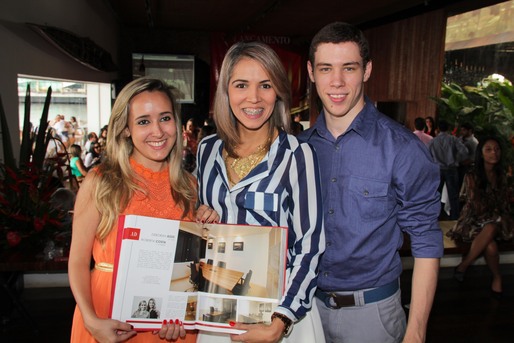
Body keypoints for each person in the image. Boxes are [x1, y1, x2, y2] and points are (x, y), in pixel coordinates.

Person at [299, 22, 443, 343]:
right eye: (326, 68)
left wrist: (416, 332)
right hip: (305, 312)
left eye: (349, 68)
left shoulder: (402, 148)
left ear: (366, 71)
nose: (337, 81)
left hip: (372, 316)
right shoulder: (299, 149)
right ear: (311, 72)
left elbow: (426, 240)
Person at [196, 41, 326, 343]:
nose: (253, 98)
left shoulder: (297, 155)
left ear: (278, 91)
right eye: (241, 85)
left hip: (277, 314)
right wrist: (200, 215)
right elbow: (200, 220)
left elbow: (311, 246)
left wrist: (280, 321)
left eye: (265, 85)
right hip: (216, 306)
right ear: (226, 90)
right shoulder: (207, 150)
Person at [68, 77, 201, 343]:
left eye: (165, 118)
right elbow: (78, 261)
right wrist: (91, 320)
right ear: (126, 129)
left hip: (170, 327)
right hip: (105, 319)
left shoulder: (189, 186)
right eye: (143, 121)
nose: (158, 131)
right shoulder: (101, 181)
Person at [447, 136, 513, 297]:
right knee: (490, 243)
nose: (494, 153)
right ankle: (496, 277)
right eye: (488, 149)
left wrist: (499, 216)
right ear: (481, 153)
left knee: (491, 229)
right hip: (473, 220)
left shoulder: (502, 175)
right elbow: (475, 206)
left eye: (497, 149)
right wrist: (494, 216)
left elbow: (505, 203)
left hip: (497, 221)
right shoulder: (472, 175)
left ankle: (463, 266)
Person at [428, 120, 468, 220]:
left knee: (436, 194)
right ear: (449, 129)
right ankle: (455, 217)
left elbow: (426, 154)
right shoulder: (453, 139)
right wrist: (457, 159)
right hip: (451, 169)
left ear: (437, 129)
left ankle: (435, 216)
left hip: (438, 170)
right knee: (453, 195)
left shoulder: (433, 141)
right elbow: (464, 151)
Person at [458, 122, 479, 189]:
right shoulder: (460, 139)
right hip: (457, 165)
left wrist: (462, 163)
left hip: (466, 167)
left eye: (464, 130)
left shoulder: (474, 142)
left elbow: (474, 157)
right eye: (461, 130)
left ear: (469, 131)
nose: (462, 132)